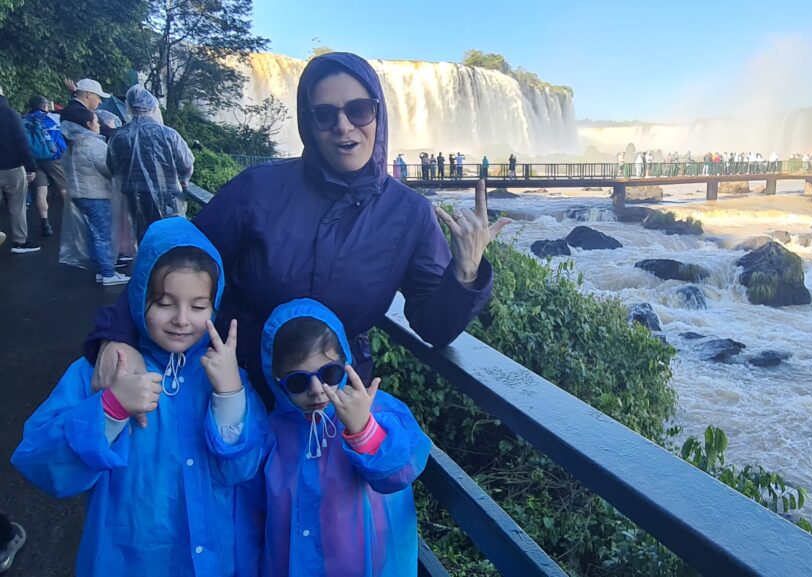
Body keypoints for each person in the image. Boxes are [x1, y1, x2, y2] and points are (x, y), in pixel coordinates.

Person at [84, 52, 510, 409]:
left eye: (359, 110)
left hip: (331, 405)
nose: (344, 126)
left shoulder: (410, 214)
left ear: (379, 114)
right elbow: (176, 262)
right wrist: (116, 335)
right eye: (325, 115)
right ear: (308, 124)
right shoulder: (258, 188)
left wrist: (466, 271)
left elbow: (434, 328)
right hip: (236, 391)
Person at [12, 218, 267, 577]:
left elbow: (244, 468)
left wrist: (229, 395)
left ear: (215, 307)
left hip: (213, 560)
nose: (181, 319)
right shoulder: (104, 371)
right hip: (127, 560)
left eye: (198, 306)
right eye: (164, 303)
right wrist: (110, 409)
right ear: (138, 296)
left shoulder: (224, 375)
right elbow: (41, 462)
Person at [246, 298, 431, 576]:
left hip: (369, 564)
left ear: (346, 362)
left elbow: (399, 474)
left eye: (329, 373)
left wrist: (364, 430)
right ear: (276, 380)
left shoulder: (376, 409)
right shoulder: (272, 431)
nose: (318, 390)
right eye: (297, 381)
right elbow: (255, 509)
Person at [106, 85, 194, 241]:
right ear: (152, 107)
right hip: (169, 196)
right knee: (169, 237)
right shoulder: (168, 134)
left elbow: (112, 165)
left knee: (143, 236)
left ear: (130, 108)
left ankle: (148, 264)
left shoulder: (119, 135)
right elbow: (186, 163)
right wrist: (183, 179)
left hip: (133, 195)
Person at [61, 105, 130, 285]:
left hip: (79, 193)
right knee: (103, 234)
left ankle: (101, 269)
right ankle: (108, 273)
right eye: (96, 122)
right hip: (95, 194)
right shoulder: (93, 143)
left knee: (93, 233)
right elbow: (109, 168)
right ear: (88, 124)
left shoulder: (74, 142)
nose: (99, 125)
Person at [0, 87, 40, 253]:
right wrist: (31, 167)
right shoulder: (9, 114)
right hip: (13, 168)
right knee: (17, 206)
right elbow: (22, 142)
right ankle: (20, 242)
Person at [25, 95, 68, 237]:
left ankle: (45, 223)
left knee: (41, 192)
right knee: (63, 189)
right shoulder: (53, 117)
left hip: (34, 160)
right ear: (44, 105)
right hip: (53, 159)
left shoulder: (25, 119)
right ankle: (71, 221)